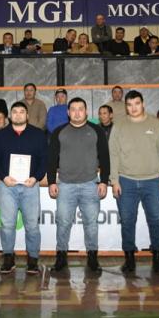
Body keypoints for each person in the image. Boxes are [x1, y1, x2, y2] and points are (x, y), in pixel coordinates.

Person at [109, 90, 159, 273]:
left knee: (156, 220)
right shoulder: (119, 125)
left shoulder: (155, 124)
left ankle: (158, 257)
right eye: (129, 105)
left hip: (152, 182)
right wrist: (114, 180)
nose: (133, 108)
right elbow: (113, 153)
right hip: (126, 181)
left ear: (143, 103)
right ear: (126, 106)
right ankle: (129, 258)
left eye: (137, 103)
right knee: (127, 221)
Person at [48, 97, 110, 273]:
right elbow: (51, 158)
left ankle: (93, 258)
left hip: (90, 185)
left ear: (86, 111)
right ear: (68, 112)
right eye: (73, 109)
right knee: (63, 223)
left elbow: (105, 157)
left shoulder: (96, 130)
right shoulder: (59, 132)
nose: (77, 112)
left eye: (80, 109)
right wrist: (51, 182)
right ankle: (61, 257)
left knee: (91, 224)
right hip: (65, 185)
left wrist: (104, 181)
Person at [0, 102, 47, 274]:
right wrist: (3, 177)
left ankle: (33, 259)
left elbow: (45, 159)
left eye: (22, 112)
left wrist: (36, 177)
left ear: (27, 115)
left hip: (31, 186)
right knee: (7, 224)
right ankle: (8, 257)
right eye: (15, 112)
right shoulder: (0, 135)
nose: (18, 114)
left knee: (32, 225)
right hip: (7, 186)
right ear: (10, 115)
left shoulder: (38, 134)